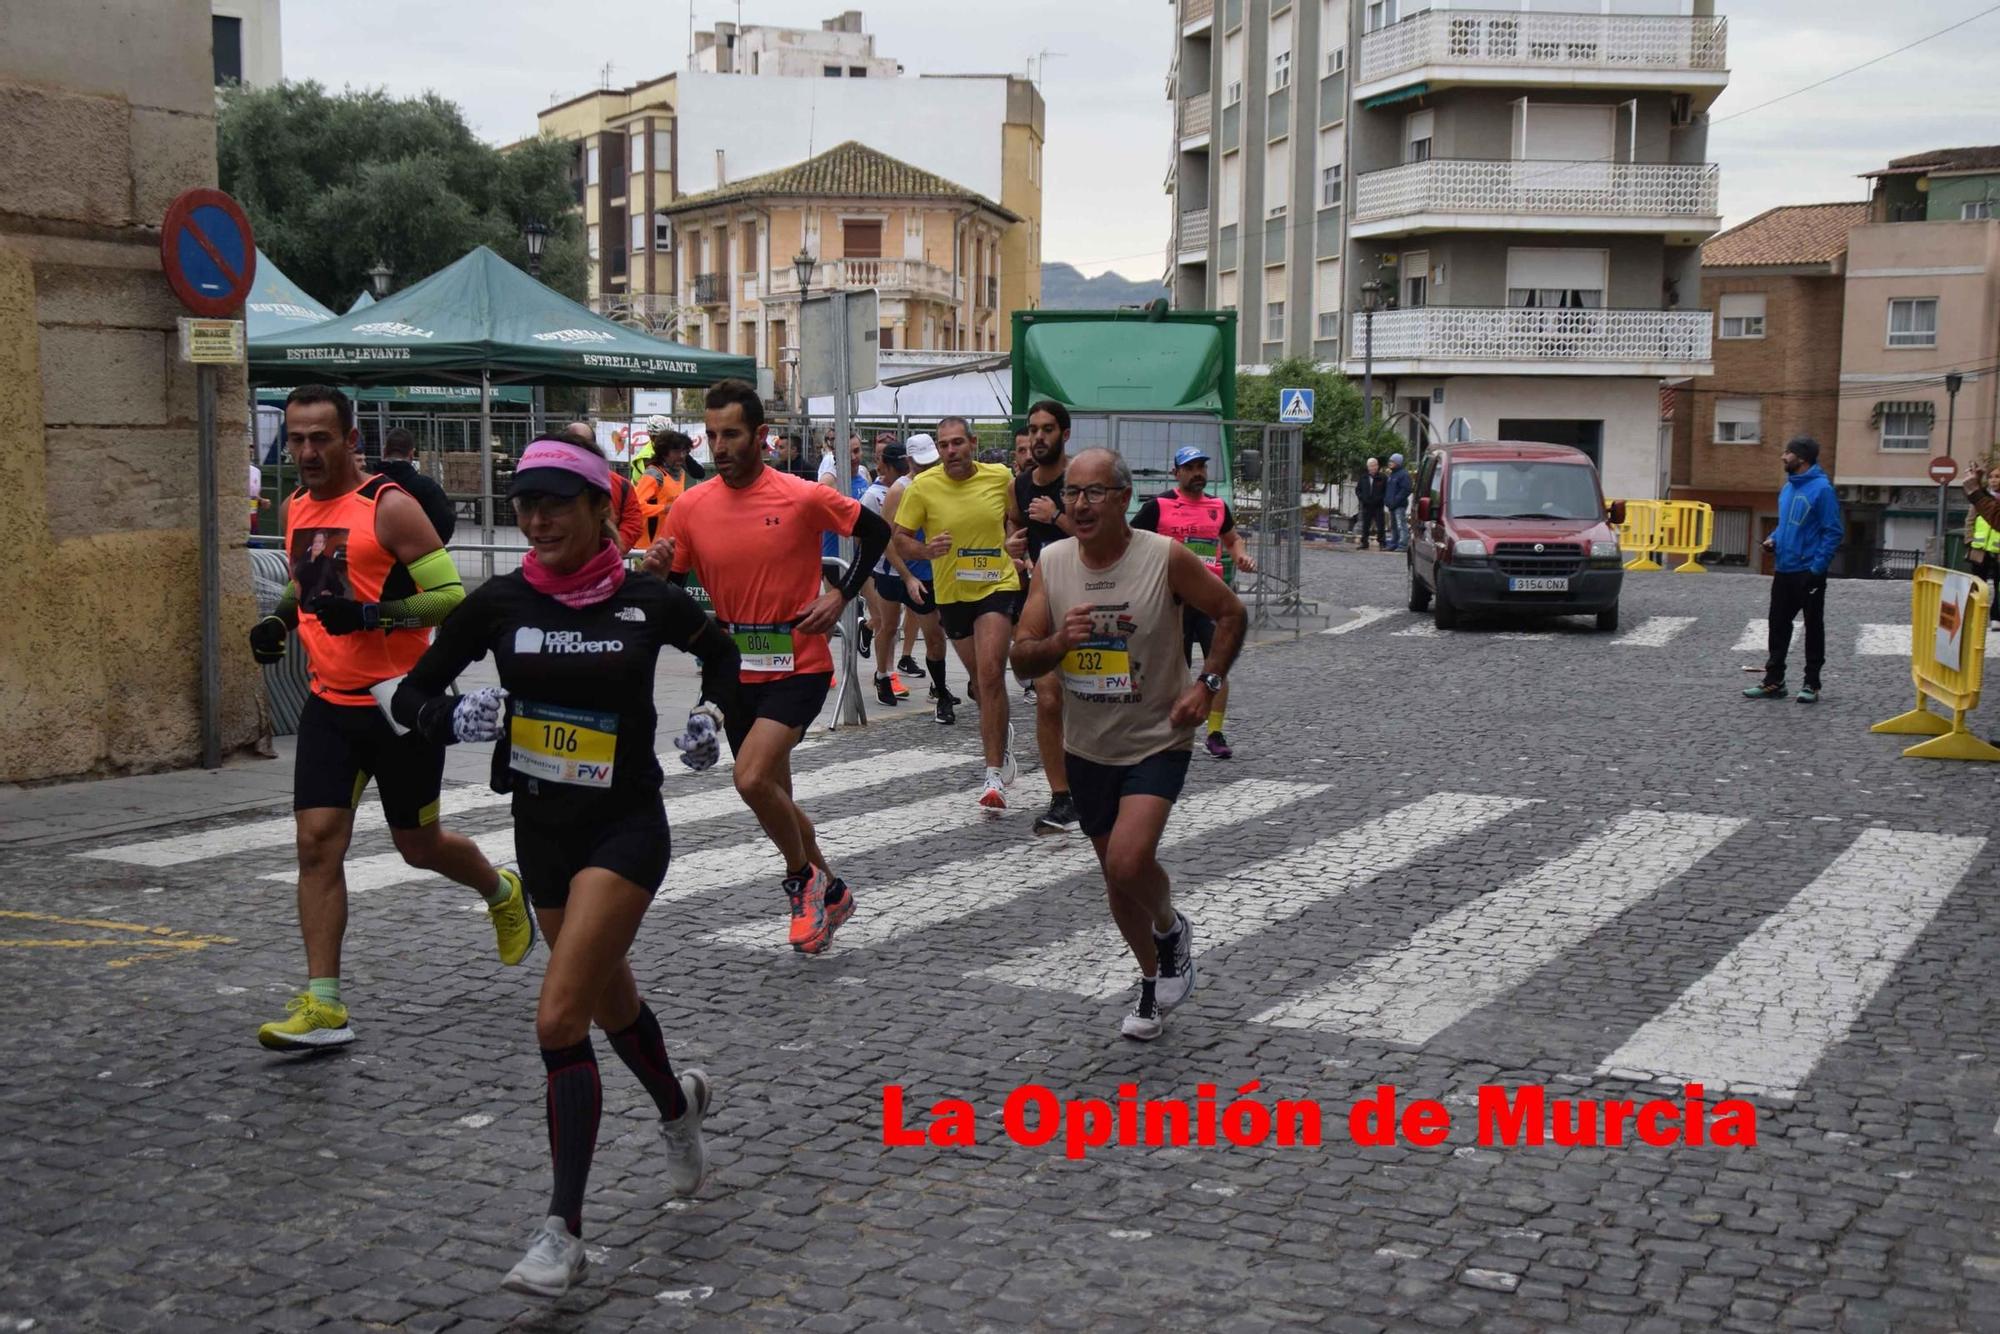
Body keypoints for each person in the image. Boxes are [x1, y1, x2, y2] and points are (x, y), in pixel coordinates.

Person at [394, 434, 741, 1297]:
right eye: (524, 504)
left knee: (558, 1019)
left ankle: (563, 1232)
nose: (537, 518)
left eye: (556, 502)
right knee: (608, 998)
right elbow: (411, 693)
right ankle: (678, 1106)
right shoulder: (501, 601)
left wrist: (711, 714)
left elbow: (724, 655)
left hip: (627, 827)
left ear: (599, 509)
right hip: (541, 831)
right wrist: (452, 719)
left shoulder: (648, 599)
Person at [246, 385, 534, 1051]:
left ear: (351, 439)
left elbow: (451, 597)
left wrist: (377, 615)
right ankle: (325, 1005)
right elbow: (308, 578)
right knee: (317, 843)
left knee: (417, 846)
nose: (308, 452)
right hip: (330, 704)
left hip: (401, 704)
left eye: (321, 438)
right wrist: (280, 619)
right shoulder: (296, 505)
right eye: (296, 439)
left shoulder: (390, 508)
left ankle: (500, 889)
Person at [1010, 448, 1246, 1041]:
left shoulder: (1164, 557)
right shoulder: (1054, 563)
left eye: (1093, 494)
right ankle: (1151, 980)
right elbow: (1021, 653)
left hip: (1158, 737)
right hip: (1087, 746)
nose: (1080, 506)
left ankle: (1169, 930)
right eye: (1071, 494)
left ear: (1122, 499)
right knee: (1117, 882)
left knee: (1128, 859)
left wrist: (1207, 685)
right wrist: (1060, 641)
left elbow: (1230, 613)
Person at [648, 380, 893, 951]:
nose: (719, 446)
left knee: (751, 777)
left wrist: (840, 595)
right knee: (774, 795)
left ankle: (800, 881)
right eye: (711, 435)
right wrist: (656, 576)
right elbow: (673, 595)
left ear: (762, 436)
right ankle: (832, 892)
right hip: (738, 669)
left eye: (731, 434)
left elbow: (876, 532)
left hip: (800, 662)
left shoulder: (801, 496)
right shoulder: (689, 506)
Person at [893, 415, 1024, 808]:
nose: (951, 451)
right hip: (952, 594)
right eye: (944, 445)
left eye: (957, 443)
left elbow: (1012, 520)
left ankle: (992, 777)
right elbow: (900, 540)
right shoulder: (923, 487)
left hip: (996, 585)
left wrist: (1014, 546)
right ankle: (1001, 734)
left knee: (989, 673)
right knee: (981, 686)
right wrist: (925, 551)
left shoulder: (1000, 477)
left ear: (972, 442)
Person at [1134, 446, 1258, 759]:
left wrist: (1240, 555)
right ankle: (1168, 727)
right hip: (1171, 600)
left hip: (1210, 599)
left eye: (1201, 466)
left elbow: (1232, 539)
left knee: (1218, 665)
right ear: (1176, 473)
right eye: (1190, 467)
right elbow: (1131, 540)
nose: (1198, 472)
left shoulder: (1218, 506)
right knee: (1175, 668)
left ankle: (1215, 733)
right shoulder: (1159, 506)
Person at [1015, 401, 1080, 834]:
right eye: (1033, 429)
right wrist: (1012, 547)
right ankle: (1061, 797)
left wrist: (1057, 516)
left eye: (1048, 429)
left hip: (1090, 595)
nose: (1039, 437)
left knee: (1094, 699)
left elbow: (1110, 534)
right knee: (1049, 697)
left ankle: (1104, 781)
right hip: (1042, 597)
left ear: (1065, 433)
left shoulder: (1081, 478)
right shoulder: (1020, 485)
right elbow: (1015, 530)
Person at [1744, 436, 1842, 704]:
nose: (1782, 457)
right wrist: (1773, 539)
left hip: (1808, 571)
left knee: (1813, 627)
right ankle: (1774, 681)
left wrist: (1817, 568)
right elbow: (1787, 525)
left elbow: (1833, 532)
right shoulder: (1788, 488)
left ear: (1802, 458)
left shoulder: (1822, 489)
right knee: (1777, 625)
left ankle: (1812, 683)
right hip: (1784, 568)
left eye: (1788, 453)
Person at [863, 442, 928, 705]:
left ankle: (907, 662)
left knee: (920, 620)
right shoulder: (876, 494)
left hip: (917, 565)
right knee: (887, 625)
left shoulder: (921, 486)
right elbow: (871, 536)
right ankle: (884, 675)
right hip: (886, 568)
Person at [563, 421, 645, 553]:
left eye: (582, 445)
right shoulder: (550, 482)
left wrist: (615, 549)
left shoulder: (621, 485)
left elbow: (633, 522)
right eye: (573, 445)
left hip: (603, 563)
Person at [377, 427, 456, 545]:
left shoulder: (368, 485)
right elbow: (444, 523)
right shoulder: (427, 488)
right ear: (411, 454)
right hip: (417, 558)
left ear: (384, 451)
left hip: (375, 557)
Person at [633, 430, 698, 548]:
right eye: (677, 451)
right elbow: (637, 506)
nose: (682, 456)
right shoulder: (654, 474)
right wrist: (666, 508)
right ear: (664, 452)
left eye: (685, 451)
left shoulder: (680, 472)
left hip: (669, 540)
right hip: (647, 545)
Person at [1354, 457, 1387, 552]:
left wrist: (1381, 499)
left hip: (1378, 505)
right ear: (1368, 467)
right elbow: (1358, 490)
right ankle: (1364, 542)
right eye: (1371, 466)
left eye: (1374, 465)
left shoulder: (1383, 477)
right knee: (1365, 524)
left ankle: (1382, 543)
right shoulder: (1363, 477)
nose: (1373, 468)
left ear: (1377, 466)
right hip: (1366, 505)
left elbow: (1386, 490)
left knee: (1380, 524)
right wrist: (1362, 498)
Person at [1384, 452, 1413, 553]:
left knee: (1401, 525)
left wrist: (1395, 500)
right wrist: (1387, 501)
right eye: (1390, 461)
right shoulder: (1393, 474)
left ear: (1398, 463)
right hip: (1392, 505)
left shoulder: (1403, 474)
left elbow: (1407, 489)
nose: (1390, 463)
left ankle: (1403, 544)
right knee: (1394, 526)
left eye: (1392, 461)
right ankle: (1394, 543)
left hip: (1399, 505)